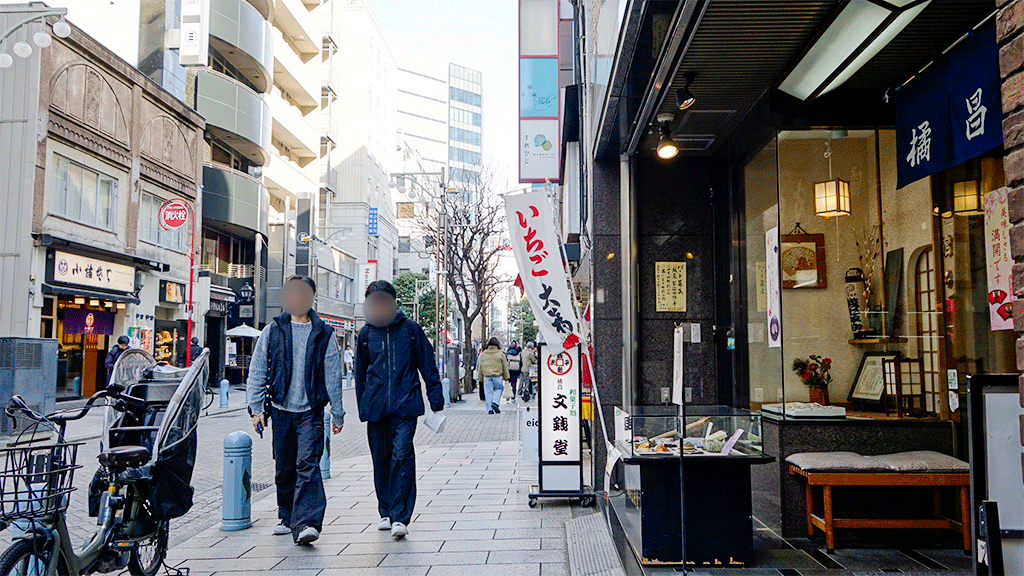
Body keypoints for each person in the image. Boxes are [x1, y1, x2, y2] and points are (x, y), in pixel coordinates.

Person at [246, 275, 346, 545]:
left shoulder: (324, 333)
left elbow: (332, 374)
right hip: (280, 409)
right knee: (285, 466)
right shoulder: (274, 329)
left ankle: (307, 523)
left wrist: (337, 413)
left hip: (310, 411)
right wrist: (256, 408)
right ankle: (286, 514)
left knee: (307, 464)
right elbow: (258, 370)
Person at [355, 280, 444, 540]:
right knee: (381, 459)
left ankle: (400, 517)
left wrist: (435, 400)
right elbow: (360, 374)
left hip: (406, 405)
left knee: (402, 456)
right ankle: (385, 510)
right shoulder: (365, 334)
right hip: (376, 408)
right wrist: (363, 406)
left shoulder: (411, 330)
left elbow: (428, 365)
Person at [478, 337, 510, 414]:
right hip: (498, 375)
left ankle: (489, 409)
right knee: (499, 389)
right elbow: (505, 366)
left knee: (488, 392)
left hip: (486, 375)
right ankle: (495, 402)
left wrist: (480, 378)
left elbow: (480, 366)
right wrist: (506, 377)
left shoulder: (484, 354)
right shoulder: (501, 354)